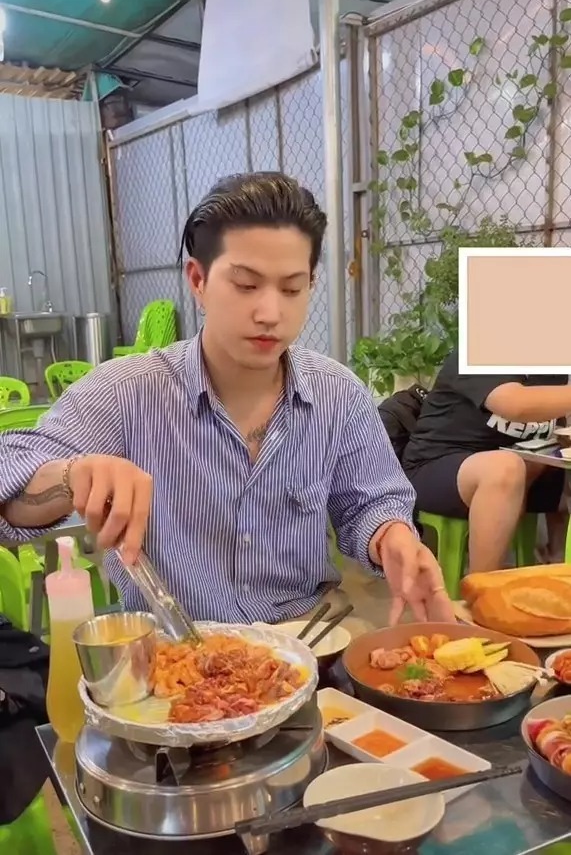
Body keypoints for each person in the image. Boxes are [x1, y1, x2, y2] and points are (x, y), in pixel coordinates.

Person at [0, 172, 454, 629]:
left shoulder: (338, 395)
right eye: (245, 285)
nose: (270, 313)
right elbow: (11, 483)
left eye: (292, 289)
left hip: (308, 640)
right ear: (198, 280)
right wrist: (70, 476)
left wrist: (392, 536)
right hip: (174, 649)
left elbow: (370, 502)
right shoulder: (127, 392)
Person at [402, 349, 569, 572]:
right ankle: (482, 587)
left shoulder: (551, 364)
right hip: (436, 464)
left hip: (514, 465)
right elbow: (514, 404)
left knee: (550, 460)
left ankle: (556, 565)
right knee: (505, 468)